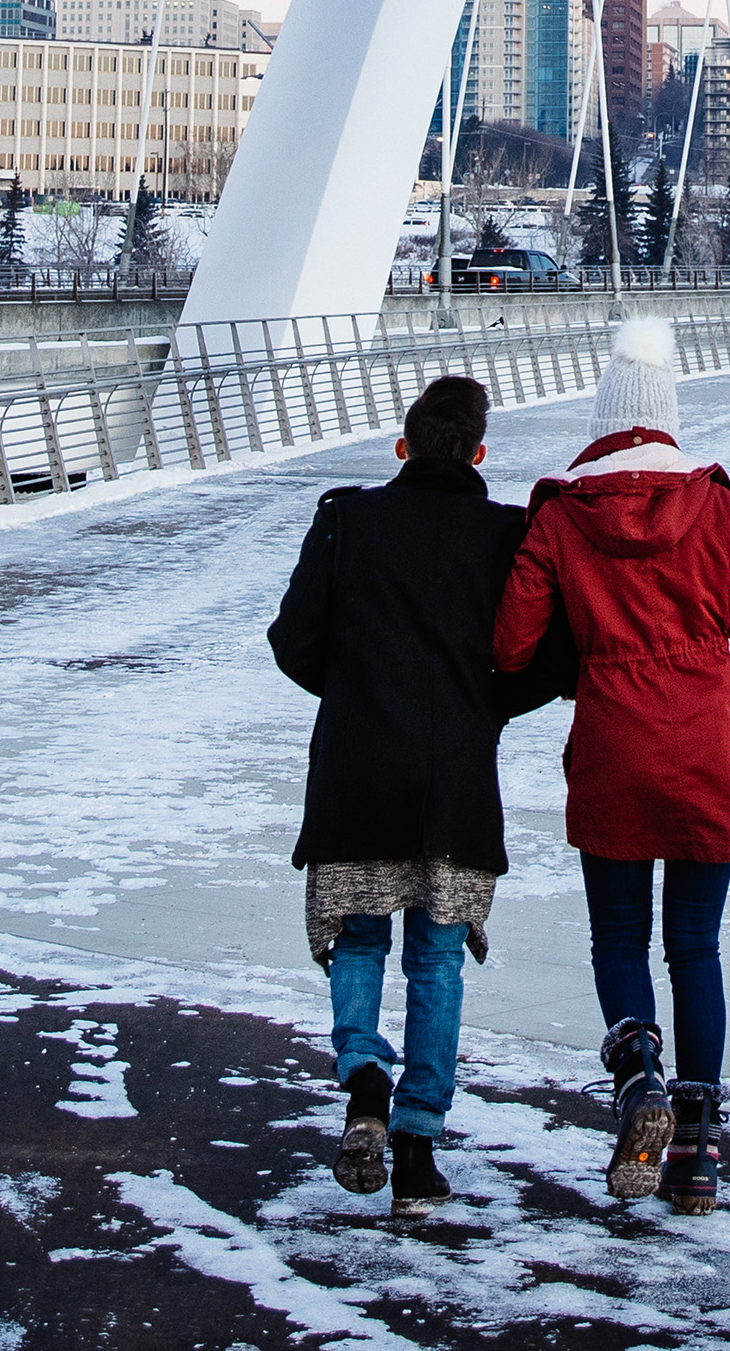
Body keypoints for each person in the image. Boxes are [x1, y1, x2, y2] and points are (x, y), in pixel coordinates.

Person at [491, 316, 730, 1214]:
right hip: (708, 748)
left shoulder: (561, 512)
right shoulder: (714, 502)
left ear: (602, 419)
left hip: (613, 750)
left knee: (617, 938)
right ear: (668, 418)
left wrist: (585, 641)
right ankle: (700, 1154)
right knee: (696, 947)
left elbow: (513, 645)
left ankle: (638, 1078)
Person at [268, 371, 567, 1208]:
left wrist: (360, 689)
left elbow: (294, 643)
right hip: (454, 784)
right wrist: (480, 708)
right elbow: (544, 660)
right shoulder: (508, 534)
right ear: (479, 452)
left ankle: (364, 1079)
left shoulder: (346, 520)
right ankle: (418, 1150)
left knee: (360, 940)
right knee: (436, 963)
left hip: (356, 774)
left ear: (402, 447)